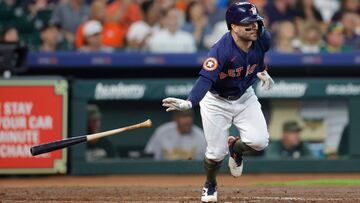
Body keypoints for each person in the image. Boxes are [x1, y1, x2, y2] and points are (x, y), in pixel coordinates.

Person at [162, 2, 274, 202]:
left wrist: (262, 71)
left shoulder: (263, 38)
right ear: (233, 26)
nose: (254, 27)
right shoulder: (221, 50)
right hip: (216, 100)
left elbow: (259, 56)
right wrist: (189, 103)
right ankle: (210, 183)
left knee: (259, 141)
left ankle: (236, 148)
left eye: (256, 22)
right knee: (215, 153)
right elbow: (205, 79)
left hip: (245, 96)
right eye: (247, 24)